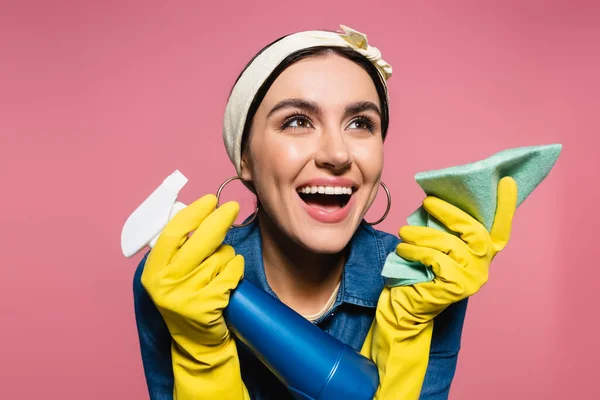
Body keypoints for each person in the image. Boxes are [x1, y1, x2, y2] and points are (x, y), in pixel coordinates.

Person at [133, 25, 518, 399]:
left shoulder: (426, 281)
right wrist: (201, 351)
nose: (337, 154)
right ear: (244, 158)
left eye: (360, 123)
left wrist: (407, 329)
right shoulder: (181, 277)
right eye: (298, 122)